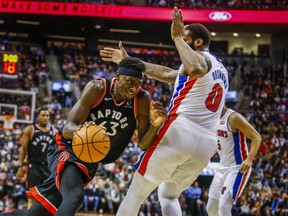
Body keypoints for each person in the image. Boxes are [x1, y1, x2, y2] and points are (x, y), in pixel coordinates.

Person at [100, 7, 229, 216]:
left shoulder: (201, 60)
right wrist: (129, 61)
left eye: (185, 37)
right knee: (168, 195)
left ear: (197, 42)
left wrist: (177, 37)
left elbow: (196, 68)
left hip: (182, 131)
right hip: (206, 144)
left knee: (135, 193)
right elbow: (168, 73)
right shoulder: (220, 69)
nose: (177, 40)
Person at [2, 57, 167, 216]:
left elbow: (144, 144)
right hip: (66, 149)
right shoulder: (97, 88)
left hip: (90, 160)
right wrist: (85, 132)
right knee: (75, 195)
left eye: (138, 84)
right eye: (130, 82)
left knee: (37, 213)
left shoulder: (142, 98)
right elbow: (67, 128)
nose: (133, 88)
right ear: (117, 77)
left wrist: (155, 124)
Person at [206, 106, 261, 216]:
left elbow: (256, 137)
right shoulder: (212, 118)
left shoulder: (233, 117)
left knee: (224, 206)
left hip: (238, 168)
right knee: (211, 208)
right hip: (222, 167)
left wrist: (249, 160)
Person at [16, 107, 57, 208]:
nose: (45, 118)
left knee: (47, 197)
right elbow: (23, 149)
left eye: (47, 116)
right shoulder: (30, 129)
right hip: (34, 166)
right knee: (31, 196)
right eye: (43, 115)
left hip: (48, 167)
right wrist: (21, 166)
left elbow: (57, 151)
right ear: (38, 117)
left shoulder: (54, 131)